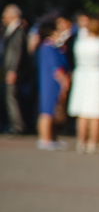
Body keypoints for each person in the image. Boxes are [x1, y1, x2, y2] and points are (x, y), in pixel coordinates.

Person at [66, 17, 99, 153]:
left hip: (82, 74)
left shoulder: (80, 43)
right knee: (96, 110)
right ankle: (93, 141)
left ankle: (81, 141)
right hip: (97, 75)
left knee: (82, 111)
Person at [34, 21, 70, 150]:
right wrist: (64, 81)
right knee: (47, 110)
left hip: (54, 83)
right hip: (50, 82)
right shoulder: (48, 47)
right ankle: (45, 139)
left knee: (53, 110)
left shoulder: (56, 47)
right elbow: (56, 68)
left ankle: (52, 137)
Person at [3, 4, 28, 135]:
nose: (3, 18)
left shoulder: (18, 31)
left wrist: (13, 70)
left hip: (13, 70)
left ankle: (17, 126)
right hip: (10, 69)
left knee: (11, 97)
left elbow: (16, 52)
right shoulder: (13, 30)